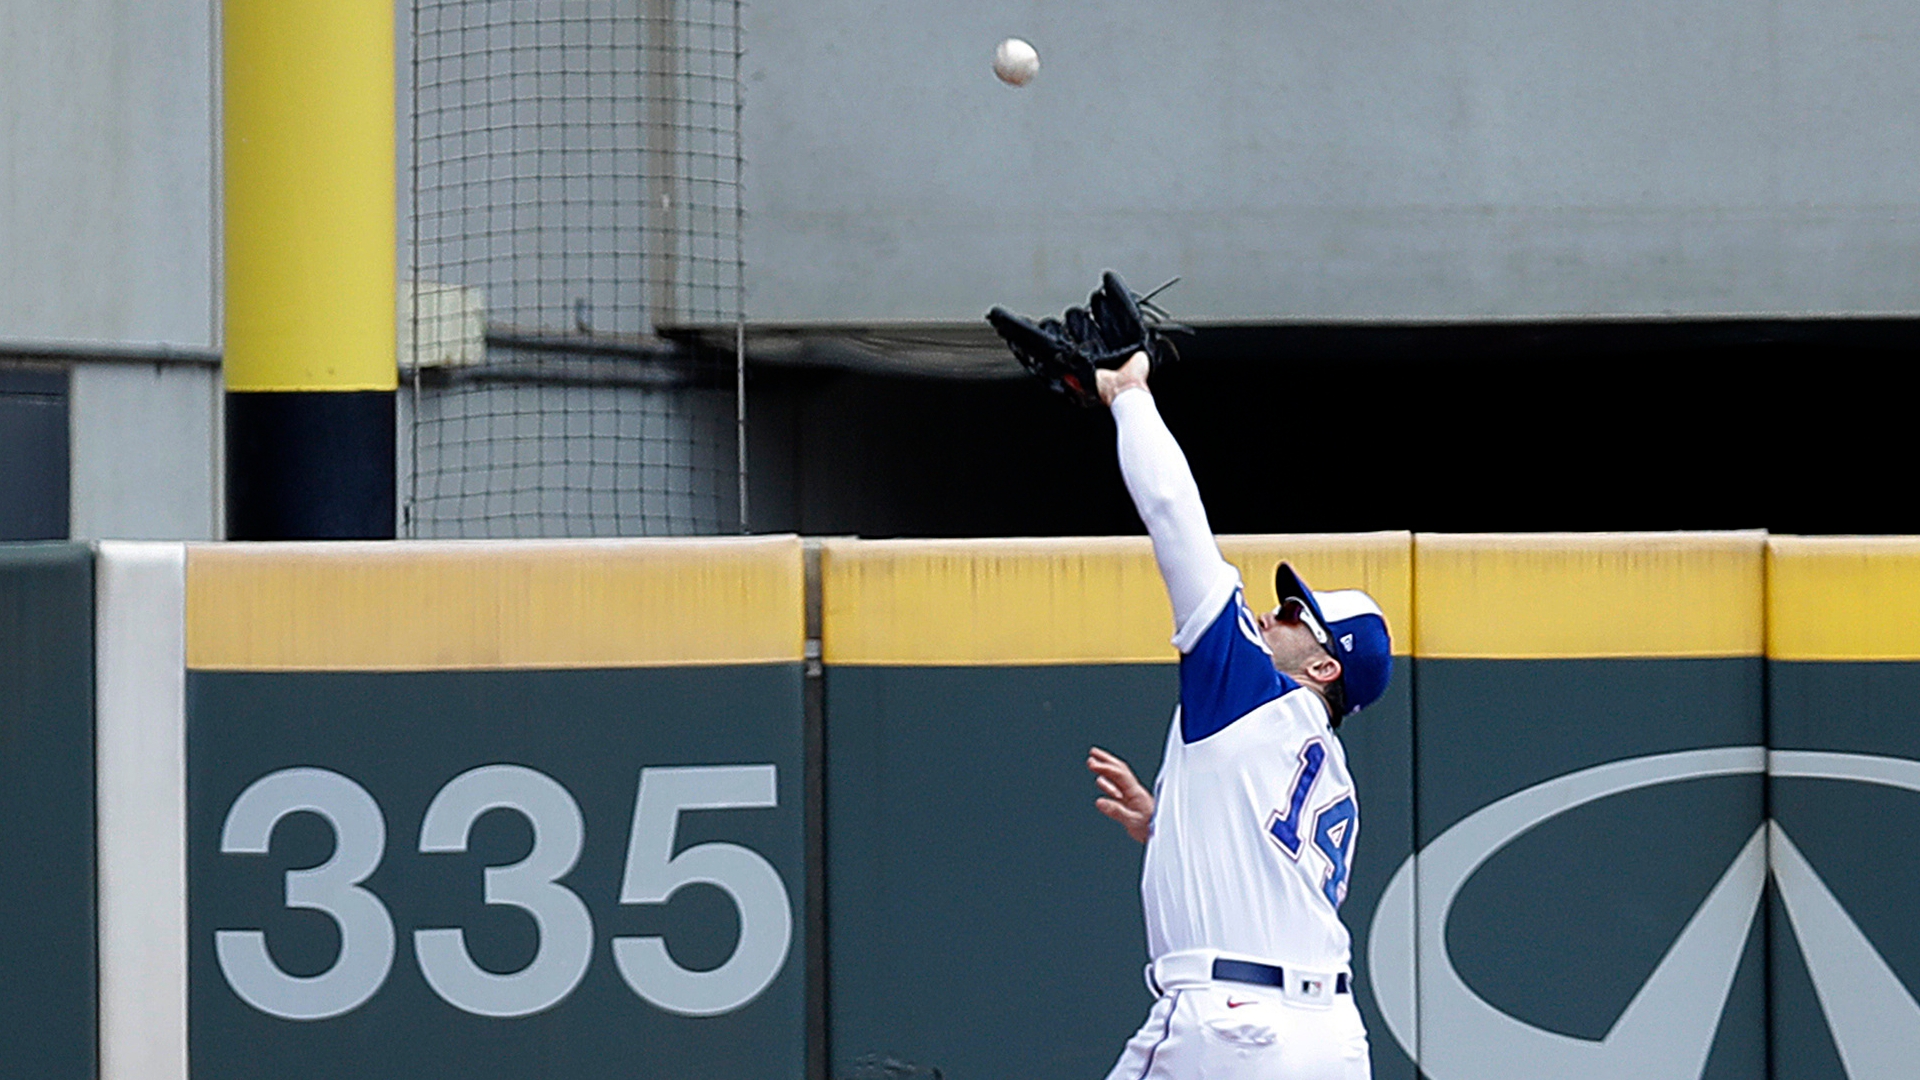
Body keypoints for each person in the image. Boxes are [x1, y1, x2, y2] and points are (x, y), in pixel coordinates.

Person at [1082, 350, 1393, 1080]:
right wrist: (1168, 823)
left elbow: (1175, 519)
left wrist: (1130, 394)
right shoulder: (1328, 770)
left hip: (1231, 1024)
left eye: (1295, 616)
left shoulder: (1249, 689)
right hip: (1332, 1040)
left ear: (1324, 669)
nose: (1271, 613)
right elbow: (1259, 871)